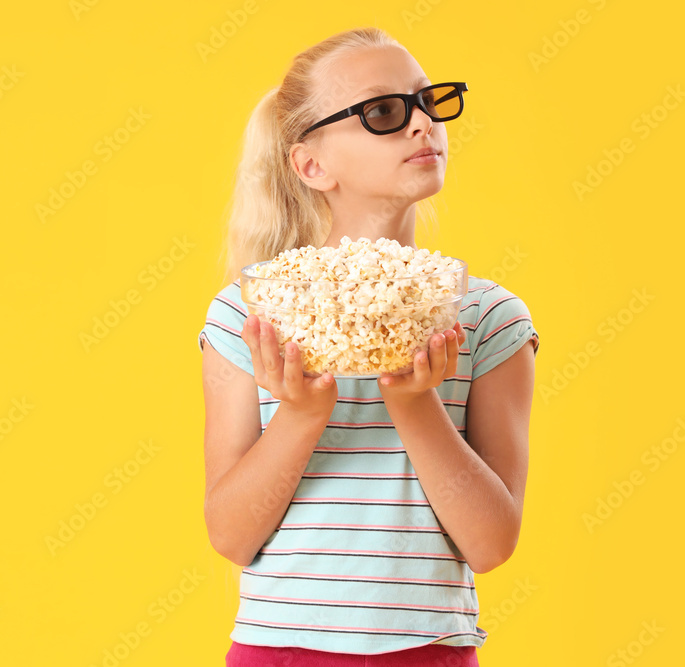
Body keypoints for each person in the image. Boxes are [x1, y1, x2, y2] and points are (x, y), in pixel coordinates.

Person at [198, 26, 539, 667]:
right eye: (384, 112)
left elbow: (492, 545)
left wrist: (415, 403)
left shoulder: (488, 317)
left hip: (430, 652)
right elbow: (232, 536)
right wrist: (300, 414)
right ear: (312, 165)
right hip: (281, 651)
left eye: (428, 102)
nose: (422, 126)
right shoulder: (250, 313)